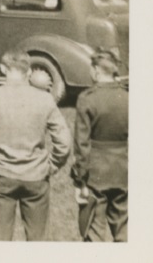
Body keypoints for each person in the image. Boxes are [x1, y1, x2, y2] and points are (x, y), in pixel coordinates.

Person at [0, 49, 72, 241]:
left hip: (1, 174)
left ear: (2, 69)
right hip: (37, 176)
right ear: (29, 72)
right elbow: (64, 141)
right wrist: (53, 164)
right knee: (37, 240)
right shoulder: (45, 98)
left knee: (1, 239)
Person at [71, 49, 128, 242]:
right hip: (123, 169)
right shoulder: (128, 97)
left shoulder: (88, 98)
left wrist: (80, 177)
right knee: (124, 230)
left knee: (94, 231)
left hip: (95, 172)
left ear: (96, 70)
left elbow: (81, 142)